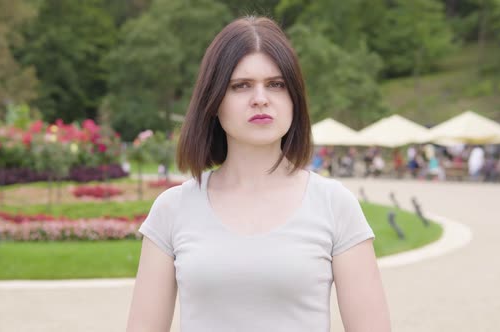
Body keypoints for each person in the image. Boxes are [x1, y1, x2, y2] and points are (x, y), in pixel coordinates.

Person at [126, 16, 391, 332]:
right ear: (213, 102)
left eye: (276, 84)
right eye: (241, 86)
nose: (261, 98)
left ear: (294, 99)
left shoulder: (335, 205)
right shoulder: (172, 209)